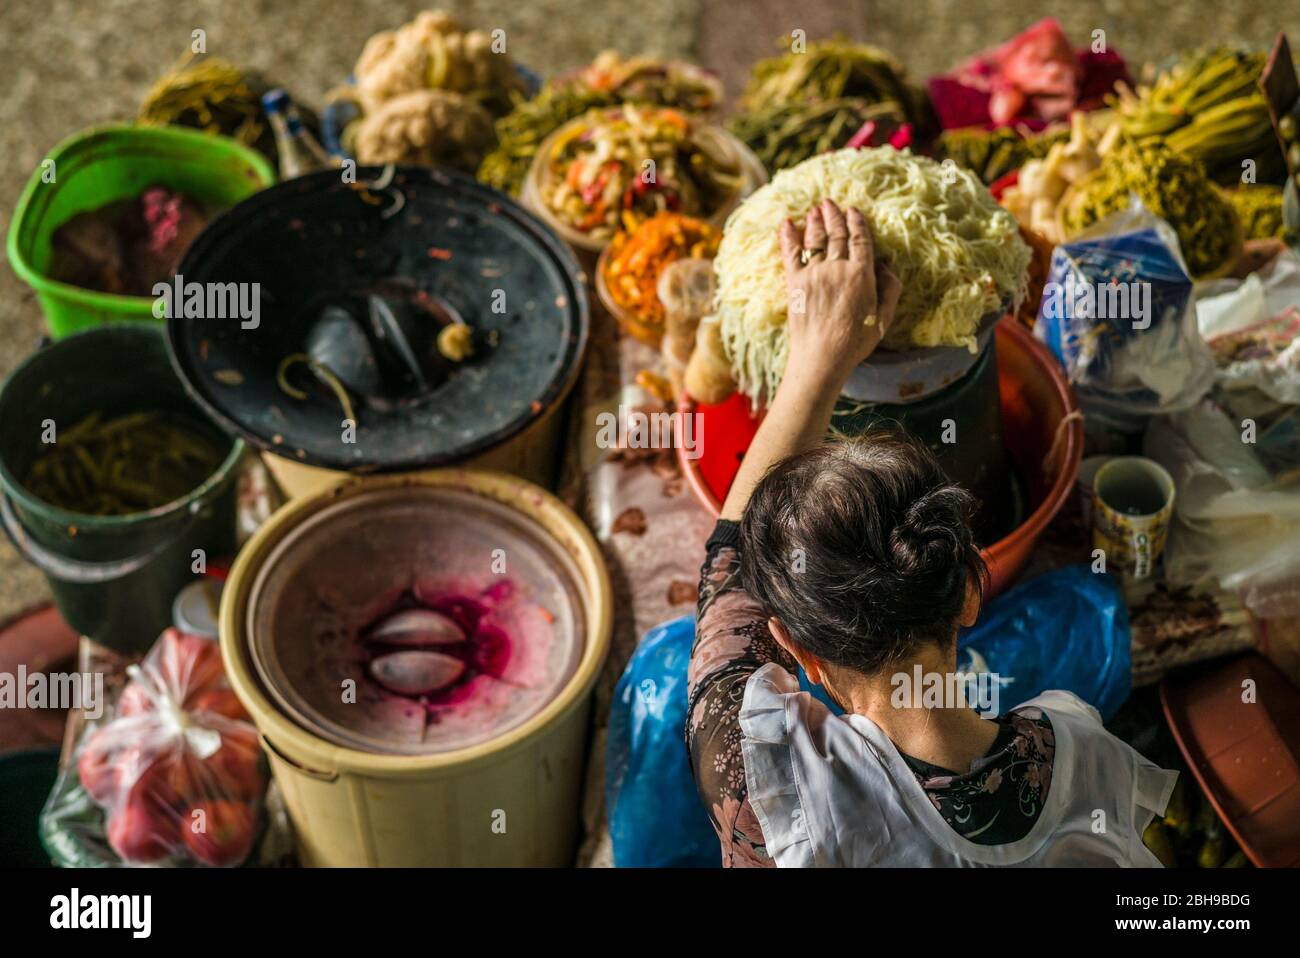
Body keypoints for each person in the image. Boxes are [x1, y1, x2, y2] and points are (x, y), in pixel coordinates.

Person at [686, 199, 1177, 867]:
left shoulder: (772, 803)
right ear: (971, 590)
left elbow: (727, 588)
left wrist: (816, 358)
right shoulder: (1081, 755)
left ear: (797, 650)